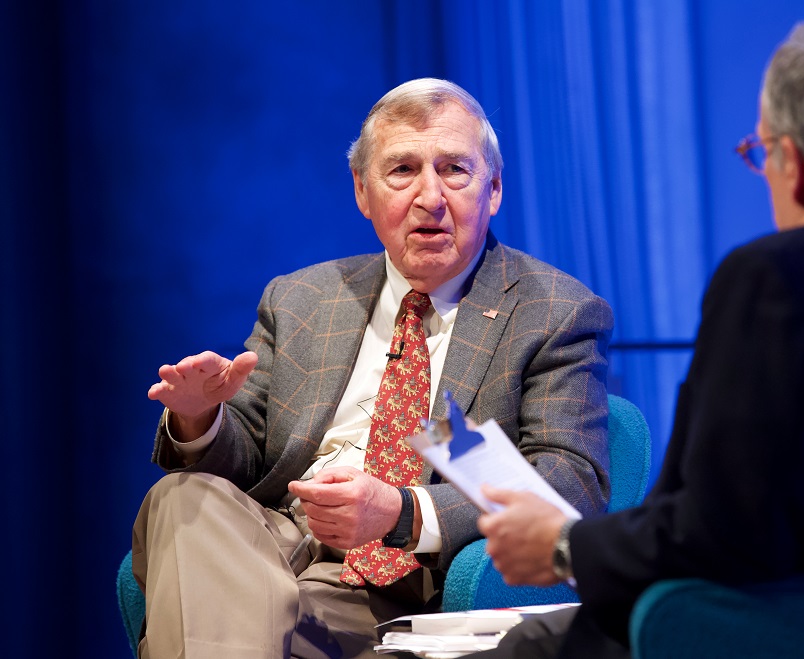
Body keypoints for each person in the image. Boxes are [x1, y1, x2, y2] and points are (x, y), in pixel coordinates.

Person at [471, 12, 804, 658]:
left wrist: (561, 544)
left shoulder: (777, 279)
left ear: (794, 163)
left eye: (758, 153)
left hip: (752, 635)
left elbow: (726, 533)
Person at [131, 77, 614, 658]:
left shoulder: (553, 311)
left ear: (494, 190)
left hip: (404, 587)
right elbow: (248, 458)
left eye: (455, 169)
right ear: (363, 193)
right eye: (402, 170)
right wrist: (200, 419)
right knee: (182, 497)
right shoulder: (301, 298)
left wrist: (403, 512)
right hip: (267, 550)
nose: (430, 196)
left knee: (193, 625)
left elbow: (571, 482)